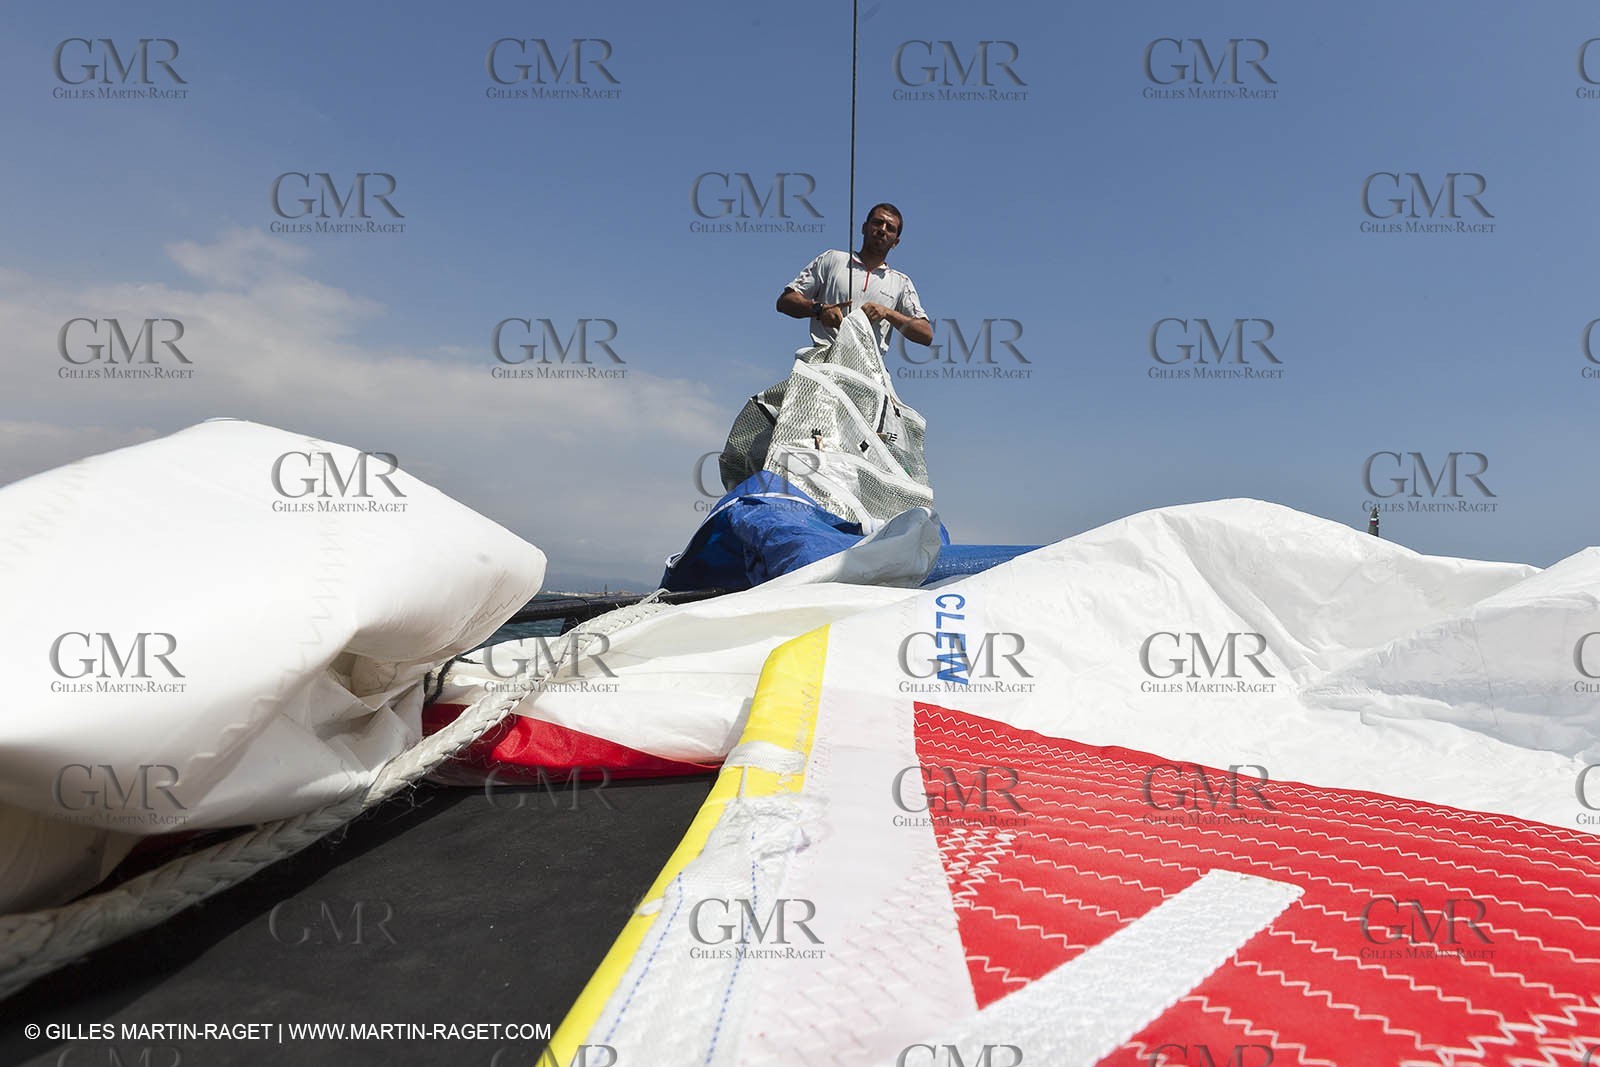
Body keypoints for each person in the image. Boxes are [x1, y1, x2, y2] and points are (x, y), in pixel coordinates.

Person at [776, 203, 934, 353]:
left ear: (895, 242)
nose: (882, 230)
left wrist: (887, 312)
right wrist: (819, 309)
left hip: (868, 372)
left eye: (890, 228)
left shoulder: (901, 283)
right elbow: (785, 301)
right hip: (823, 365)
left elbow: (926, 334)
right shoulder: (832, 259)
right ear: (864, 228)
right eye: (878, 223)